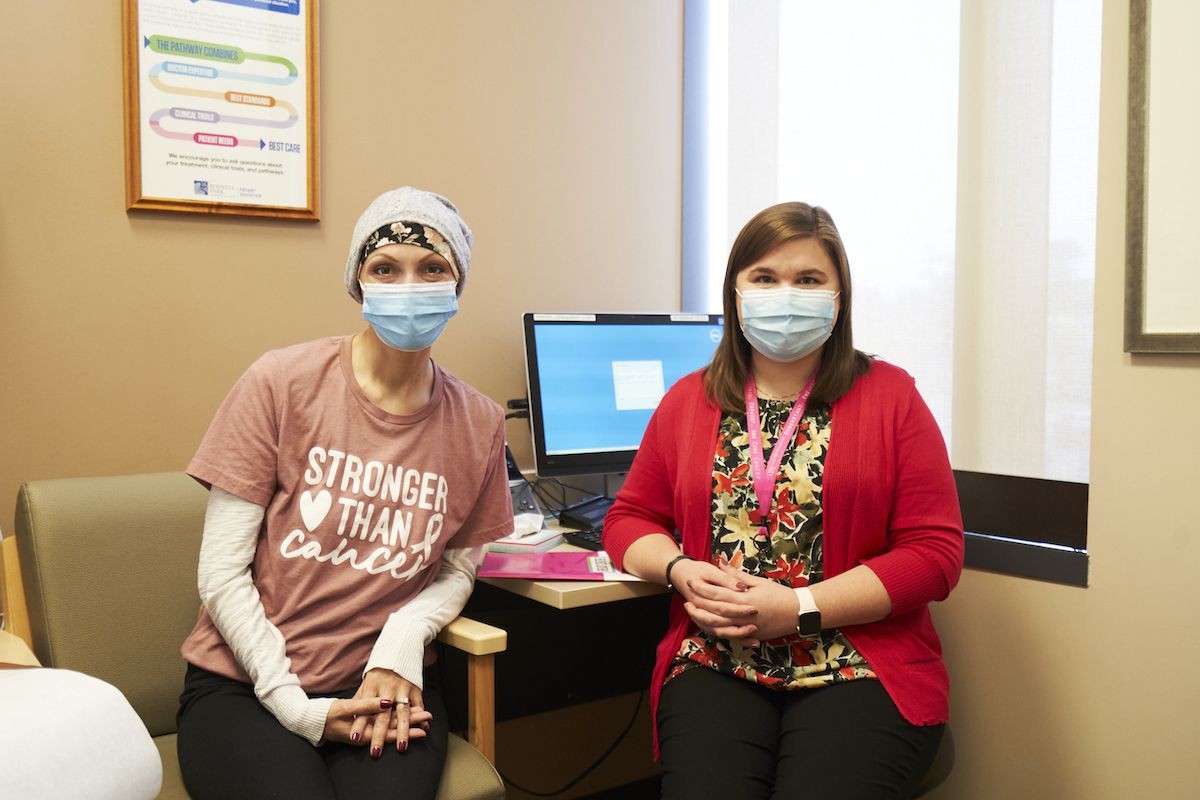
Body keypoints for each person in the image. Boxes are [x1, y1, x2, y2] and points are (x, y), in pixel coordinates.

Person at [602, 202, 963, 798]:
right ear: (736, 293)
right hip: (718, 661)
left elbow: (935, 553)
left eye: (809, 280)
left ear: (839, 297)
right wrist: (678, 569)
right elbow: (630, 517)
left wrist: (799, 608)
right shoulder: (687, 401)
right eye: (765, 279)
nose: (785, 294)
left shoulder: (892, 396)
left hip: (858, 663)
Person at [175, 187, 514, 799]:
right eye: (385, 268)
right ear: (359, 283)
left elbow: (460, 570)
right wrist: (293, 705)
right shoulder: (280, 384)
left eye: (432, 268)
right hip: (245, 688)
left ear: (457, 284)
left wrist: (403, 638)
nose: (409, 285)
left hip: (385, 685)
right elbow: (220, 576)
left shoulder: (480, 424)